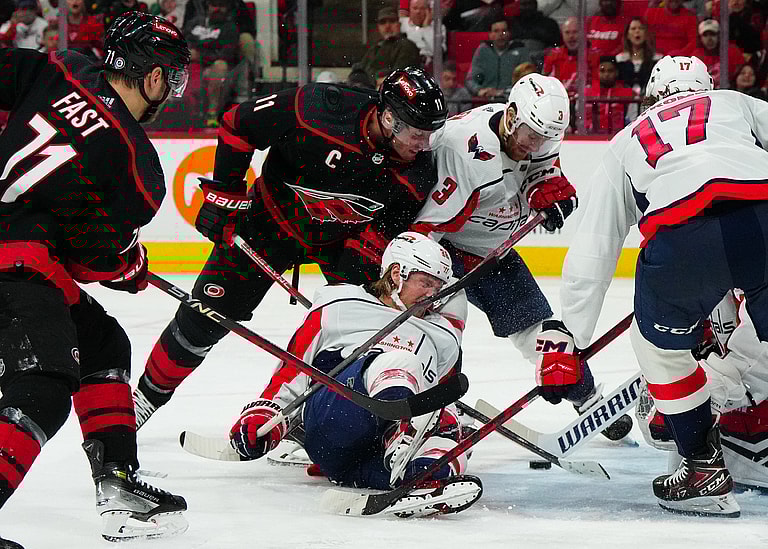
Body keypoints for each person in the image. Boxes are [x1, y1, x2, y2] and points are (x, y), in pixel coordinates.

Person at [131, 67, 449, 428]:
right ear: (388, 117)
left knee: (358, 332)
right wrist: (226, 195)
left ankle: (320, 418)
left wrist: (349, 293)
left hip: (342, 243)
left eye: (430, 135)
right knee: (204, 317)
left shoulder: (419, 171)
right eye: (417, 133)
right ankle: (144, 398)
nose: (424, 145)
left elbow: (382, 232)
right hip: (268, 225)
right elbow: (238, 123)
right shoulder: (317, 109)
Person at [545, 55, 768, 517]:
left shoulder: (629, 137)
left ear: (653, 95)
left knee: (657, 347)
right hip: (763, 215)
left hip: (683, 239)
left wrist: (570, 337)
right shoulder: (737, 102)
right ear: (708, 85)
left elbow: (594, 247)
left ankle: (702, 466)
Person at [0, 11, 191, 548]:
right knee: (42, 385)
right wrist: (128, 266)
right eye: (172, 78)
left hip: (23, 252)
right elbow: (94, 260)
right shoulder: (136, 167)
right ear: (153, 78)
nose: (170, 90)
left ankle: (120, 486)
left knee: (103, 341)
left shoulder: (60, 67)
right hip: (15, 260)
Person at [410, 73, 634, 440]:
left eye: (548, 137)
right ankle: (437, 411)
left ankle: (589, 399)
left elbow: (541, 169)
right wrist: (421, 279)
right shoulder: (464, 151)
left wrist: (543, 189)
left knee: (545, 333)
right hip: (445, 255)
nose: (538, 144)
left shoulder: (534, 129)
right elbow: (426, 228)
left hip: (493, 255)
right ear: (512, 117)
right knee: (443, 332)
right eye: (533, 135)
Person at [227, 232, 481, 515]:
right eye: (425, 283)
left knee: (450, 429)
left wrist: (447, 430)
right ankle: (401, 436)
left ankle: (421, 479)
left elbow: (441, 397)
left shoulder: (441, 336)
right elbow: (292, 369)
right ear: (397, 273)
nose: (432, 295)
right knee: (400, 363)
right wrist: (265, 417)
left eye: (438, 287)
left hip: (357, 463)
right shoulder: (339, 304)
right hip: (334, 424)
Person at [465, 17, 532, 99]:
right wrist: (479, 90)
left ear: (509, 33)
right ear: (490, 34)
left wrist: (503, 93)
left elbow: (528, 80)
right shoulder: (483, 50)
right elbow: (470, 79)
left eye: (504, 31)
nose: (500, 34)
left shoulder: (520, 50)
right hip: (486, 102)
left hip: (513, 100)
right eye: (496, 31)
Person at [354, 7, 421, 84]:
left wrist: (376, 78)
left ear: (399, 24)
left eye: (392, 21)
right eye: (383, 22)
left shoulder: (406, 46)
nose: (387, 26)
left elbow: (399, 76)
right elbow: (361, 68)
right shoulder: (375, 47)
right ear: (378, 27)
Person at [543, 17, 599, 100]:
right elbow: (544, 83)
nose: (571, 36)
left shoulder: (594, 55)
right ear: (562, 35)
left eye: (575, 32)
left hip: (584, 101)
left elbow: (597, 86)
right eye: (567, 32)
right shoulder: (553, 55)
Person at [584, 55, 634, 133]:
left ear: (616, 72)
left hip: (618, 136)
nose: (606, 74)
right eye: (602, 71)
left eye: (610, 71)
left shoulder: (628, 93)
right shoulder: (587, 92)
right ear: (597, 72)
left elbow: (632, 119)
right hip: (590, 136)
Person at [690, 19, 745, 88]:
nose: (709, 38)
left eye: (712, 34)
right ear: (700, 38)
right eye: (705, 35)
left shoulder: (732, 50)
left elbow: (741, 71)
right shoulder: (696, 56)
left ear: (719, 35)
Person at [399, 0, 446, 68]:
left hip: (430, 67)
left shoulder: (439, 27)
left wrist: (426, 28)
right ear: (410, 9)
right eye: (415, 8)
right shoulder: (402, 24)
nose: (418, 12)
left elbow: (438, 53)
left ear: (428, 10)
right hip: (407, 64)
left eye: (422, 8)